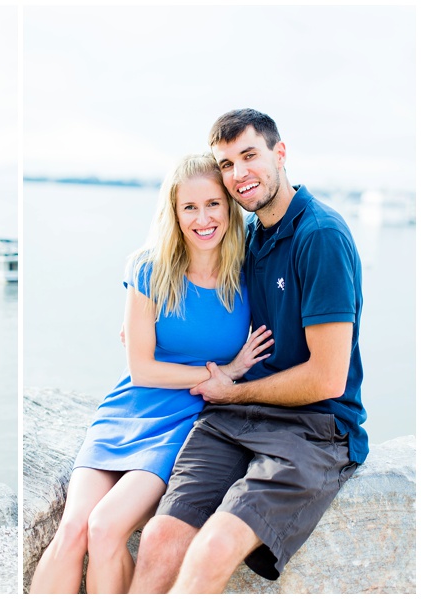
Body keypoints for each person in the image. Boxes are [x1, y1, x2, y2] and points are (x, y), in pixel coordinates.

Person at [129, 109, 367, 594]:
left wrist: (230, 390)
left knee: (215, 546)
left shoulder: (319, 237)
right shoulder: (251, 236)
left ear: (280, 155)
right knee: (160, 537)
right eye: (227, 163)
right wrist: (144, 325)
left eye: (249, 155)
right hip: (239, 417)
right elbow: (195, 286)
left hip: (314, 427)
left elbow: (327, 378)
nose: (239, 174)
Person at [29, 154, 274, 594]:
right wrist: (225, 371)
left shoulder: (249, 270)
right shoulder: (148, 268)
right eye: (190, 208)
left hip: (187, 421)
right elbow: (141, 370)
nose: (203, 219)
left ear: (229, 207)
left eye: (214, 204)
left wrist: (235, 379)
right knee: (72, 531)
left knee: (104, 527)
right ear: (174, 213)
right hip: (129, 409)